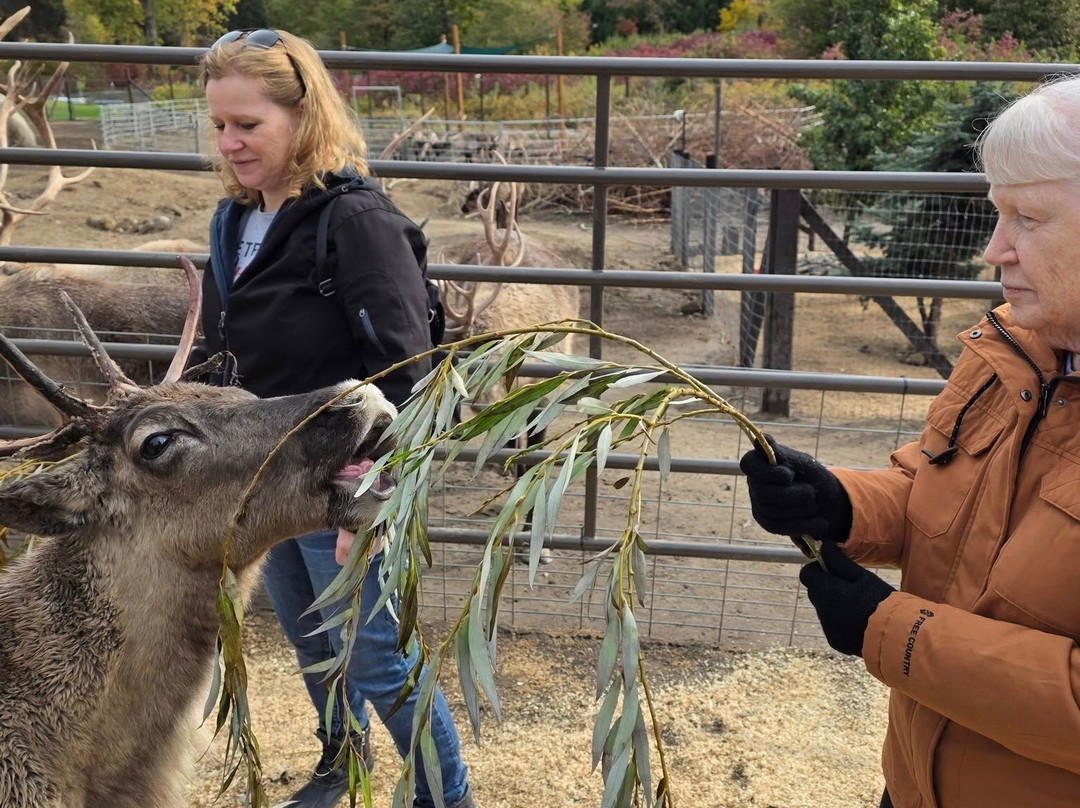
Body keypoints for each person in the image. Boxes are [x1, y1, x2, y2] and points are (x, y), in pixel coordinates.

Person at [740, 75, 1080, 808]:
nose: (995, 250)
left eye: (1027, 216)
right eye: (996, 213)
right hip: (918, 780)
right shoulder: (1015, 354)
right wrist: (839, 505)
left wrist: (889, 629)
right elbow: (941, 493)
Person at [190, 29, 475, 808]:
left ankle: (442, 797)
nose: (230, 142)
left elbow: (407, 378)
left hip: (343, 483)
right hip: (266, 479)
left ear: (303, 114)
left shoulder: (354, 223)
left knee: (379, 656)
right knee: (314, 644)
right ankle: (339, 768)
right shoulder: (233, 220)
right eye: (219, 125)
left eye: (248, 124)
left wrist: (369, 502)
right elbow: (223, 354)